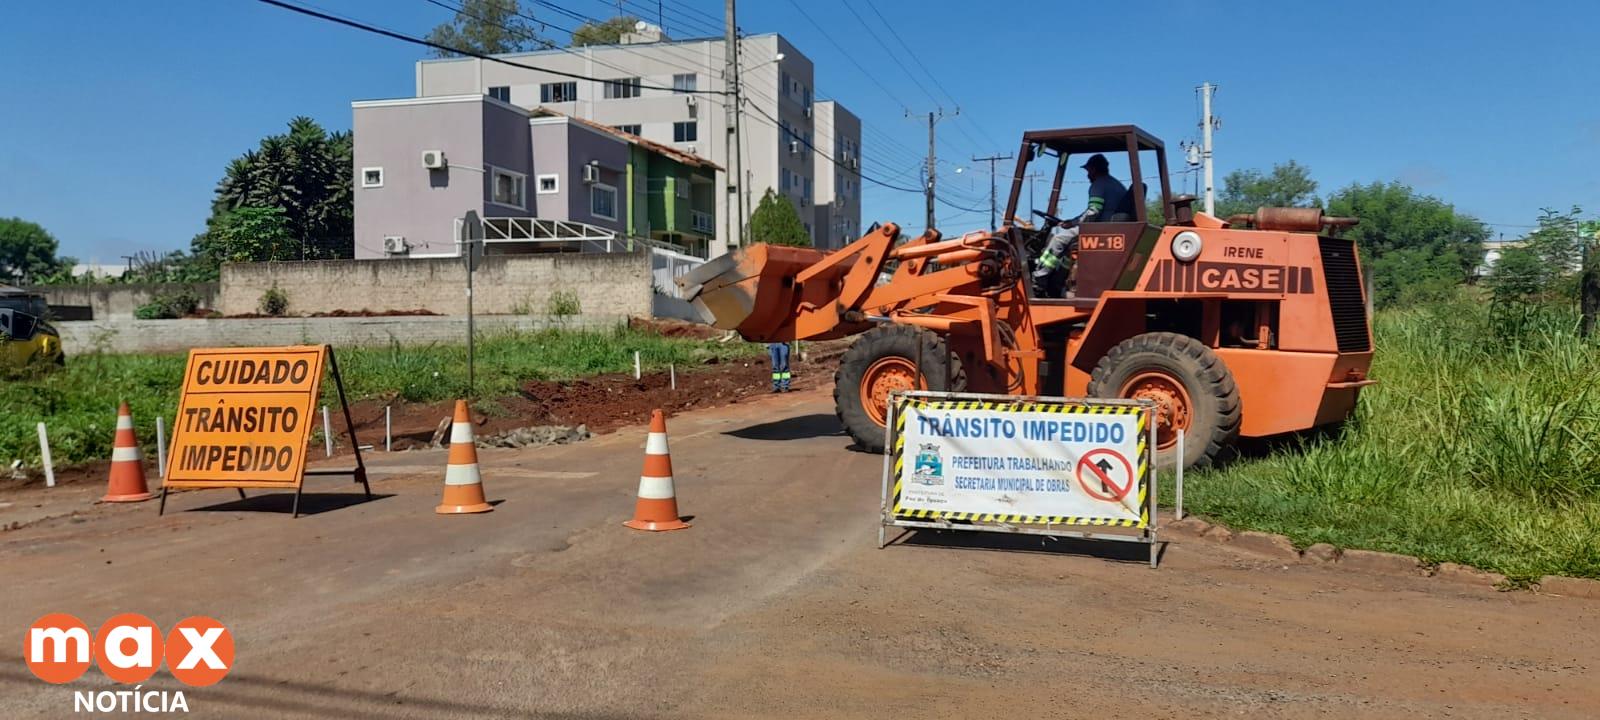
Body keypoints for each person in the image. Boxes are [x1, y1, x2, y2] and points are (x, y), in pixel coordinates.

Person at [1032, 153, 1129, 296]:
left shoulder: (1098, 185)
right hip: (1110, 226)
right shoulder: (1116, 184)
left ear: (1094, 170)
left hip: (1099, 228)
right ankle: (1057, 284)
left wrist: (1073, 223)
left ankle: (1039, 279)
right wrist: (1073, 221)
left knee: (1058, 240)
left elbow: (1093, 211)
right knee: (1066, 248)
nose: (1087, 175)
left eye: (1088, 171)